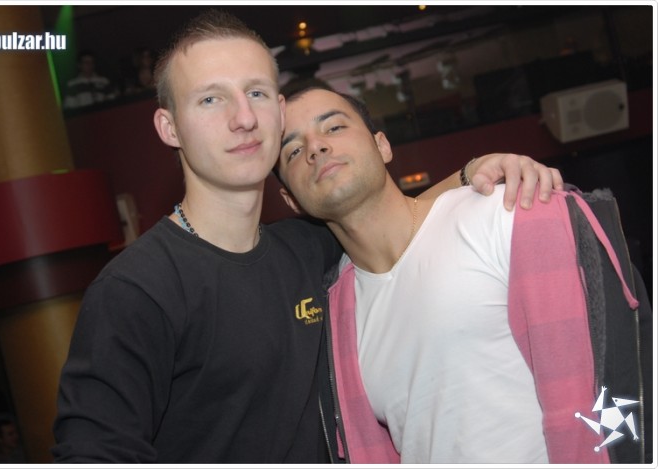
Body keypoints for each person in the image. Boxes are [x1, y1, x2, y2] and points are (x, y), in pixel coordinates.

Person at [52, 10, 563, 463]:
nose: (243, 118)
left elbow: (380, 210)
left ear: (277, 110)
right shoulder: (137, 289)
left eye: (256, 93)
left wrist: (473, 171)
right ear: (169, 128)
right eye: (210, 99)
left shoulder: (306, 248)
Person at [275, 87, 646, 464]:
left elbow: (615, 378)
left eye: (334, 127)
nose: (316, 147)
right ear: (291, 200)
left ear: (382, 145)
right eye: (293, 151)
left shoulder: (507, 213)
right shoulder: (336, 318)